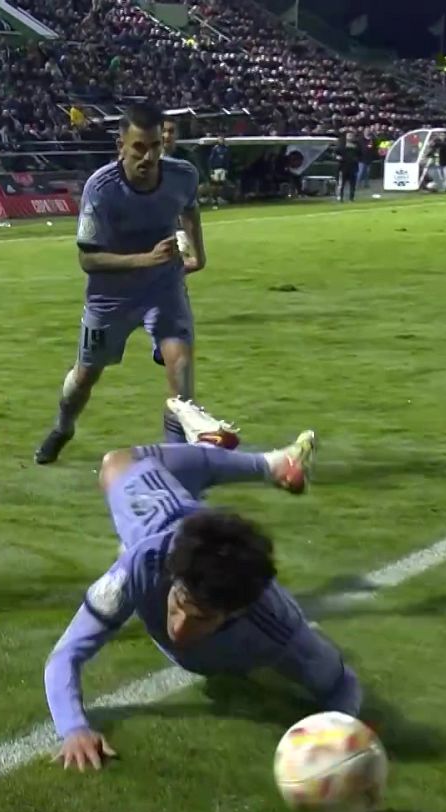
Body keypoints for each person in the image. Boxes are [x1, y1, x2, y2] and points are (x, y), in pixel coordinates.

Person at [47, 400, 361, 771]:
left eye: (200, 618)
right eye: (178, 601)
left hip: (191, 533)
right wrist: (74, 728)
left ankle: (207, 449)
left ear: (236, 611)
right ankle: (270, 464)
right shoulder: (140, 566)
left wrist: (339, 739)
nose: (178, 626)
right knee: (114, 464)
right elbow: (64, 655)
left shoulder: (278, 625)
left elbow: (343, 686)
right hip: (156, 512)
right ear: (173, 576)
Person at [34, 103, 229, 466]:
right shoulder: (101, 189)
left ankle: (176, 460)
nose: (149, 156)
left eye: (156, 146)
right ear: (120, 146)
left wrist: (198, 255)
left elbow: (190, 208)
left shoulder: (182, 175)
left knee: (180, 366)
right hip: (111, 297)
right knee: (85, 376)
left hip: (163, 287)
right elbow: (88, 259)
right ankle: (63, 427)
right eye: (139, 148)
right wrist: (146, 259)